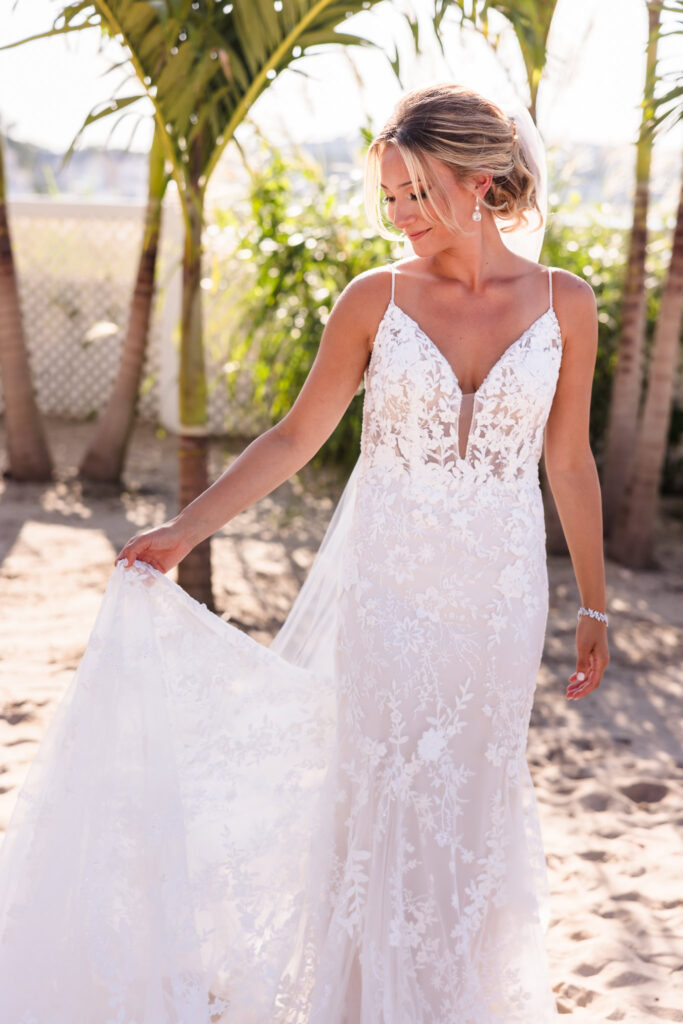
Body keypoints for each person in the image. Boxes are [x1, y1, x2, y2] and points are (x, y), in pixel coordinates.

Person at [0, 83, 609, 1023]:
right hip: (390, 589)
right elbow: (293, 437)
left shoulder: (567, 302)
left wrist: (594, 604)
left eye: (417, 191)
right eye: (390, 195)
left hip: (498, 595)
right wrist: (184, 530)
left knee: (473, 795)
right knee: (377, 790)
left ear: (481, 181)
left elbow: (567, 460)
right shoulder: (375, 299)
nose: (399, 214)